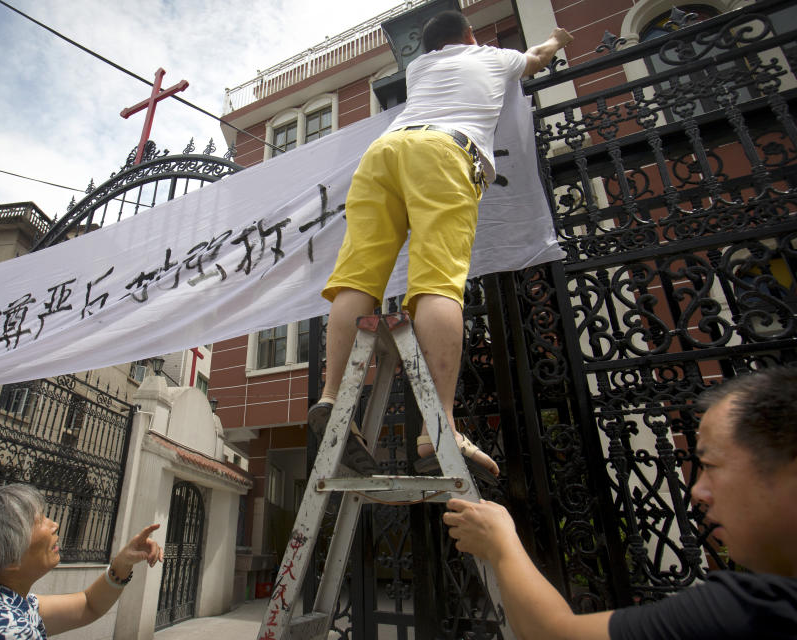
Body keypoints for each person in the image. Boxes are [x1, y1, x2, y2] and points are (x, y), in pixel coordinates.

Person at [309, 10, 574, 478]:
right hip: (444, 151)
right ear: (469, 35)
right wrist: (554, 38)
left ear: (429, 48)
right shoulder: (493, 57)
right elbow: (535, 59)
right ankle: (439, 430)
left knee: (356, 277)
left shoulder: (420, 68)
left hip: (383, 154)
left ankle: (332, 399)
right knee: (437, 283)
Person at [443, 367, 797, 639]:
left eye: (711, 465)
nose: (698, 491)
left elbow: (554, 634)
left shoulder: (754, 613)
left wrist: (500, 542)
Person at [0, 483, 164, 639]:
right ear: (8, 556)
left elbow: (88, 605)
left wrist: (122, 563)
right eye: (39, 520)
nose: (54, 525)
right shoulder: (8, 629)